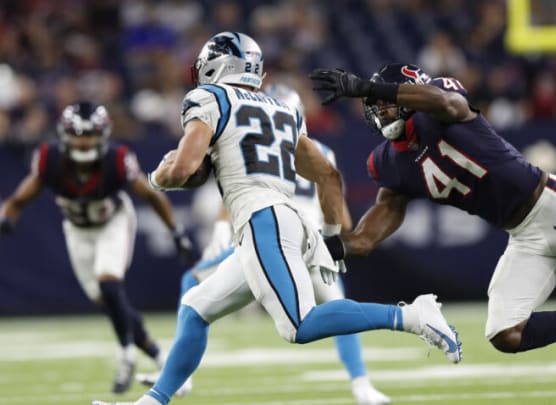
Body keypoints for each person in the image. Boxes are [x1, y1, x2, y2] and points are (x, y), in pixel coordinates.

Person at [91, 31, 460, 405]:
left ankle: (412, 316)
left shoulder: (208, 97)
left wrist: (157, 178)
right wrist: (330, 239)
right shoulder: (282, 108)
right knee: (196, 307)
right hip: (282, 221)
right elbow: (328, 176)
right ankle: (152, 402)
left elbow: (184, 167)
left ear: (222, 64)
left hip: (262, 220)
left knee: (299, 326)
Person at [307, 62, 556, 369]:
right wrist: (337, 246)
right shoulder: (387, 163)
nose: (381, 113)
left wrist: (364, 85)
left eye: (386, 103)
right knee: (505, 334)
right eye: (373, 106)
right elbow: (375, 223)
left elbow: (448, 102)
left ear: (406, 95)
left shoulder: (439, 103)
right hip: (523, 235)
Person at [135, 83, 391, 404]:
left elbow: (247, 186)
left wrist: (220, 226)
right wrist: (333, 236)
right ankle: (362, 383)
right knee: (335, 307)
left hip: (274, 235)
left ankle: (406, 320)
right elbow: (333, 191)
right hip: (313, 241)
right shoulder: (322, 151)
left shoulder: (247, 136)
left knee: (198, 285)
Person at [0, 101, 196, 394]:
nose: (84, 141)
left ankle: (126, 355)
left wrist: (176, 231)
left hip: (113, 222)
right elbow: (19, 199)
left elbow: (152, 197)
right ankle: (159, 355)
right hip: (77, 231)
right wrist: (8, 218)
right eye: (78, 135)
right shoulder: (49, 159)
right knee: (110, 302)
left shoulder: (116, 160)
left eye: (90, 134)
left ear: (102, 134)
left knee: (108, 281)